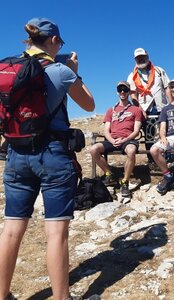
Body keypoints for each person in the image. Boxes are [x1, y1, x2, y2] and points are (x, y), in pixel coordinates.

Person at [0, 18, 96, 300]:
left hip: (16, 153)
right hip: (52, 155)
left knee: (11, 229)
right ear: (53, 41)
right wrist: (74, 72)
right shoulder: (60, 70)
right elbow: (89, 103)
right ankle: (61, 297)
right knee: (56, 232)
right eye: (60, 43)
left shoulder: (8, 68)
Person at [89, 81, 143, 198]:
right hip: (112, 140)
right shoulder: (110, 110)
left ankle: (125, 182)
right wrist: (112, 141)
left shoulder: (136, 110)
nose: (122, 92)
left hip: (128, 140)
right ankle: (109, 174)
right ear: (117, 92)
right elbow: (106, 130)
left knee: (131, 151)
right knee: (94, 149)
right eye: (120, 89)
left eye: (125, 89)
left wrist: (124, 140)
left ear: (129, 92)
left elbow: (136, 131)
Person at [127, 48, 171, 163]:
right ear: (135, 59)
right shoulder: (132, 75)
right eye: (138, 58)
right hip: (145, 109)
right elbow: (133, 95)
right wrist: (140, 110)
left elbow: (167, 87)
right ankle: (152, 160)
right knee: (149, 135)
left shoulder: (159, 71)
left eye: (142, 56)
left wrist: (171, 105)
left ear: (147, 56)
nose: (141, 59)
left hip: (161, 106)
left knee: (166, 132)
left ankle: (167, 157)